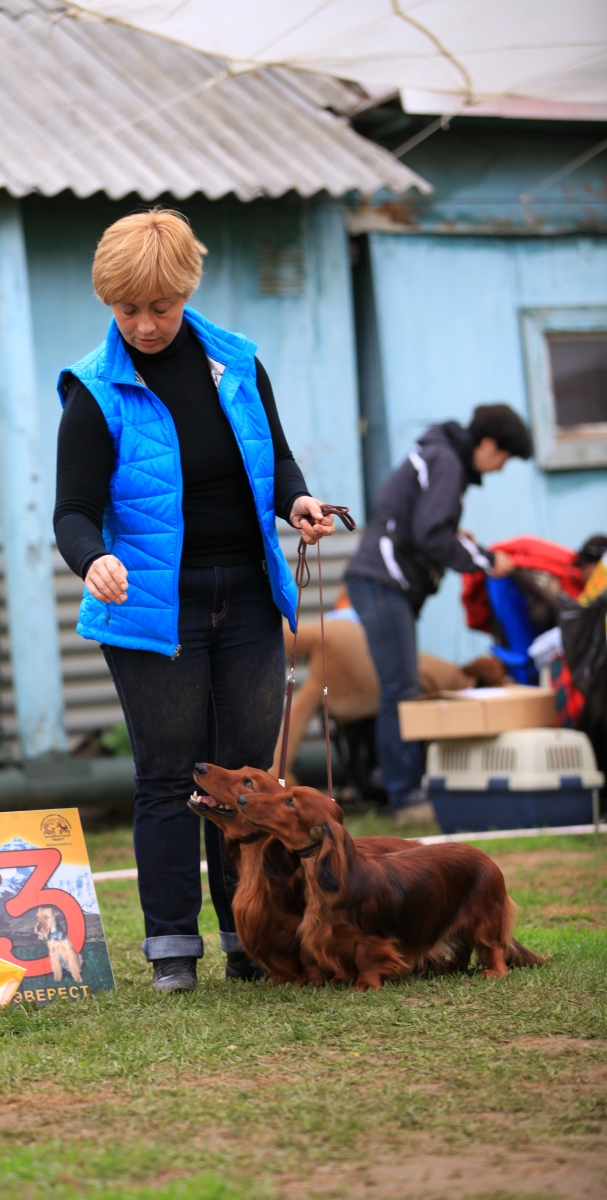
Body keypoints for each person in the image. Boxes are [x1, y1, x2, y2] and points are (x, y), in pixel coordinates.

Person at [53, 209, 335, 992]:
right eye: (126, 310)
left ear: (186, 290)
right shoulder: (93, 392)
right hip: (152, 610)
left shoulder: (238, 363)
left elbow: (274, 458)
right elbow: (71, 511)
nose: (144, 324)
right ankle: (173, 946)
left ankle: (249, 937)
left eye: (160, 307)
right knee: (171, 777)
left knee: (246, 781)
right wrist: (93, 558)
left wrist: (299, 502)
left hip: (246, 595)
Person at [345, 405, 533, 823]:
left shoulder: (439, 453)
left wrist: (456, 538)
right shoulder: (447, 460)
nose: (499, 469)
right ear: (486, 444)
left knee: (399, 686)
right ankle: (407, 797)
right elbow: (431, 533)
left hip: (378, 581)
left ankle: (397, 786)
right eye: (502, 458)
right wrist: (485, 558)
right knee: (401, 688)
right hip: (381, 582)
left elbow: (421, 523)